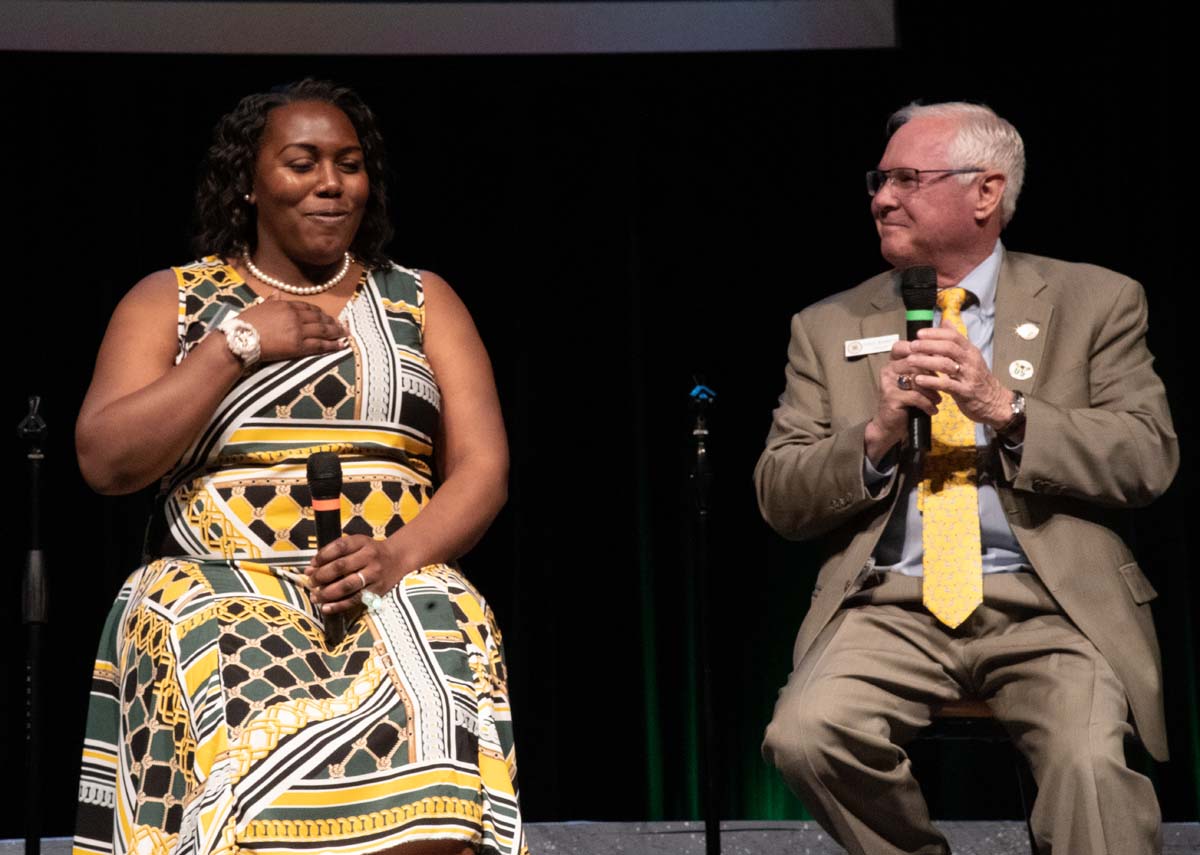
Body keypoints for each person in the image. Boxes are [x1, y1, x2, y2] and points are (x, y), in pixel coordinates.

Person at [73, 80, 527, 855]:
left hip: (388, 570)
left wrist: (396, 554)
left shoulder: (421, 299)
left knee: (440, 605)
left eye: (349, 165)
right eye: (303, 162)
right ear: (249, 182)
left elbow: (484, 467)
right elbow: (106, 458)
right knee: (179, 611)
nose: (331, 183)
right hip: (218, 579)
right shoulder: (175, 301)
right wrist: (234, 345)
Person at [756, 101, 1177, 855]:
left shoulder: (1097, 301)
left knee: (1089, 767)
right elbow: (781, 493)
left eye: (907, 179)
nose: (883, 197)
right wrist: (877, 433)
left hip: (1051, 607)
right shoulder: (827, 326)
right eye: (879, 181)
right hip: (890, 605)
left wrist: (1005, 408)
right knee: (805, 734)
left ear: (986, 193)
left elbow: (1147, 455)